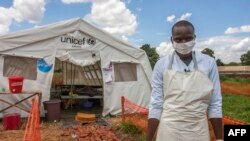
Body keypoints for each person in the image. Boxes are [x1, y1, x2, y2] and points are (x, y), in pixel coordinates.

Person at [146, 20, 223, 141]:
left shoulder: (208, 63)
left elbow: (215, 103)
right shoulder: (161, 65)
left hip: (198, 130)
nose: (184, 43)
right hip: (169, 130)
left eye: (188, 38)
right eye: (178, 39)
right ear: (172, 40)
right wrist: (148, 139)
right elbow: (156, 103)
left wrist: (219, 138)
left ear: (194, 38)